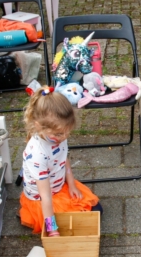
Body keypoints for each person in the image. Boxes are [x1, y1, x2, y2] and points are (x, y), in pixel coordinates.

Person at [19, 87, 101, 236]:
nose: (64, 137)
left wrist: (71, 184)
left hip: (58, 186)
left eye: (67, 132)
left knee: (96, 210)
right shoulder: (37, 154)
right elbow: (45, 197)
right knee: (84, 218)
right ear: (38, 126)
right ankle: (39, 219)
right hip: (43, 200)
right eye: (59, 134)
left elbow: (63, 159)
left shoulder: (57, 136)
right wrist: (52, 229)